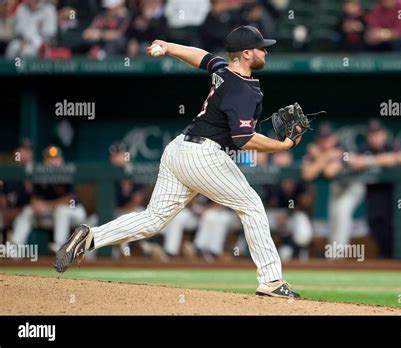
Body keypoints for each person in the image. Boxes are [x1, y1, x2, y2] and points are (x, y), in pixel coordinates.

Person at [54, 25, 303, 299]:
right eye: (260, 47)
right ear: (245, 54)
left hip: (178, 149)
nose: (265, 50)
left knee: (153, 219)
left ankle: (90, 237)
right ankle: (270, 280)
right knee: (252, 207)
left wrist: (169, 47)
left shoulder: (223, 71)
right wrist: (283, 145)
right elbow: (244, 138)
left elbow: (202, 56)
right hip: (203, 156)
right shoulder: (245, 89)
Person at [301, 123, 365, 254]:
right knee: (334, 216)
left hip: (353, 186)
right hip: (338, 188)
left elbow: (330, 171)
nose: (325, 142)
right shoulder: (320, 153)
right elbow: (307, 174)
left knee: (342, 211)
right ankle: (334, 253)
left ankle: (338, 254)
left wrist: (322, 156)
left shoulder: (341, 148)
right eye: (322, 139)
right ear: (318, 140)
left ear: (334, 138)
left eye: (328, 138)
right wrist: (324, 157)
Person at [12, 146, 87, 253]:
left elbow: (70, 200)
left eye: (56, 158)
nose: (53, 162)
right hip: (50, 217)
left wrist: (46, 205)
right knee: (28, 211)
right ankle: (15, 248)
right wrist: (36, 204)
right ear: (44, 161)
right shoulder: (39, 176)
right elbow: (33, 198)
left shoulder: (68, 173)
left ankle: (59, 247)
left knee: (61, 210)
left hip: (74, 213)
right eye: (49, 159)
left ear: (61, 161)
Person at [348, 119, 401, 258]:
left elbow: (397, 157)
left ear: (384, 134)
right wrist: (356, 160)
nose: (375, 137)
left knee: (393, 226)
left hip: (394, 195)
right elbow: (349, 159)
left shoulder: (391, 146)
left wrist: (368, 161)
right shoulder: (365, 149)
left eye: (378, 133)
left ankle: (397, 258)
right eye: (372, 134)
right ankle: (385, 256)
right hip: (373, 195)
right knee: (375, 225)